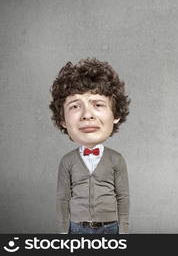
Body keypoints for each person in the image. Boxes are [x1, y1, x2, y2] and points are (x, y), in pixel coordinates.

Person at [50, 58, 130, 234]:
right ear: (62, 120)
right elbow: (62, 198)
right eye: (75, 106)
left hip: (110, 228)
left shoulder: (116, 160)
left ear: (116, 114)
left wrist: (124, 231)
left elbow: (123, 197)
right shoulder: (67, 161)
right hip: (77, 228)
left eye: (98, 104)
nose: (87, 115)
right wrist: (64, 231)